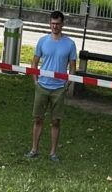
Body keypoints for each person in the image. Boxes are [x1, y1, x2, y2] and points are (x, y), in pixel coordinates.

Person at [27, 11, 76, 162]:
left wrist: (67, 84)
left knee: (56, 121)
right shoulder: (42, 41)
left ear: (62, 24)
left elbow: (73, 67)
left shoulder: (70, 44)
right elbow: (34, 62)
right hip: (42, 85)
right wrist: (35, 80)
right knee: (38, 119)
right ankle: (34, 149)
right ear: (49, 24)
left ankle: (53, 152)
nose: (55, 26)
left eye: (58, 24)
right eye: (52, 24)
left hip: (59, 88)